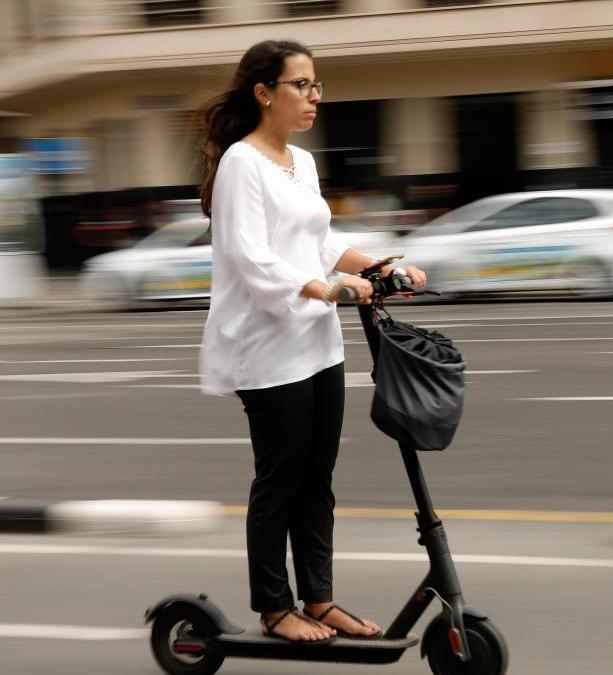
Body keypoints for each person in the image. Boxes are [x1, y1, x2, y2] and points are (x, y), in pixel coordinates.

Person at [197, 39, 426, 643]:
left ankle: (318, 599)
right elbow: (251, 257)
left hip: (318, 344)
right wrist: (325, 291)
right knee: (281, 478)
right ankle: (275, 608)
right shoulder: (240, 164)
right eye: (301, 84)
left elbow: (320, 243)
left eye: (317, 84)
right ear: (264, 93)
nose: (314, 96)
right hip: (267, 346)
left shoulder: (301, 162)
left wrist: (378, 268)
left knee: (318, 477)